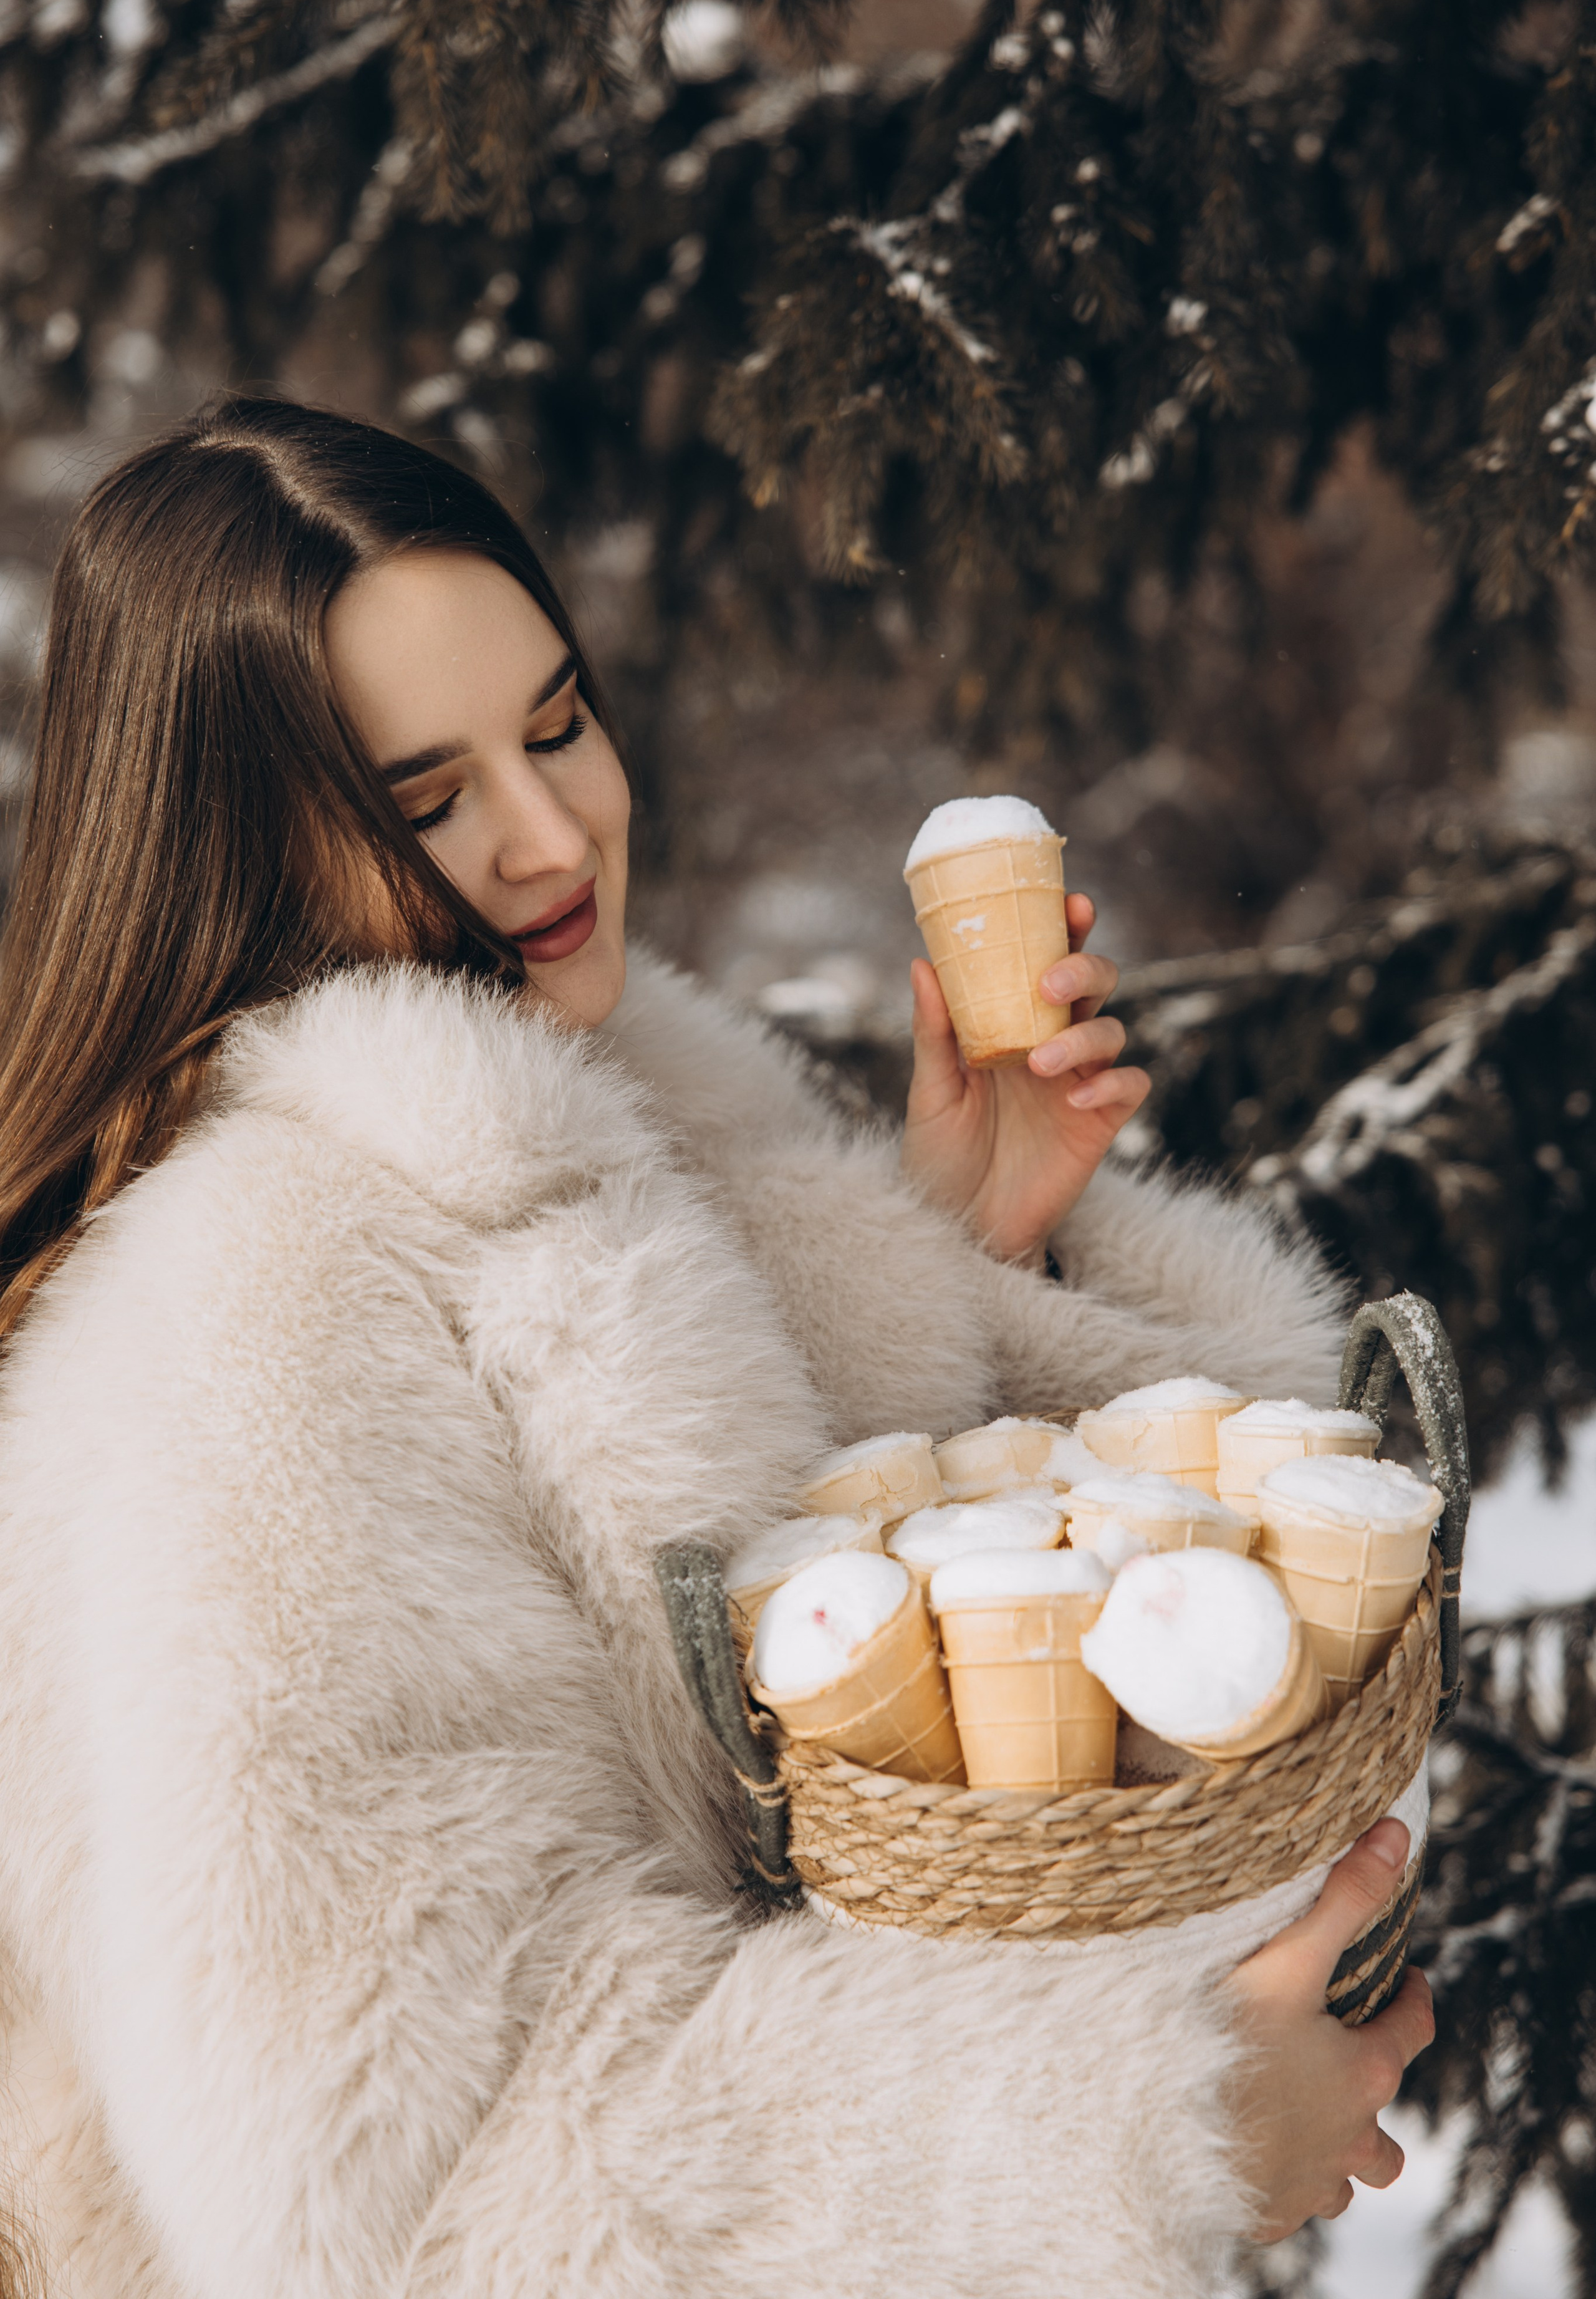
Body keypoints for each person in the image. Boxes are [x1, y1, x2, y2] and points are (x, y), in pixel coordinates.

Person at [0, 397, 1431, 2299]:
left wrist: (961, 1238)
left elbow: (769, 1648)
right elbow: (412, 2188)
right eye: (424, 800)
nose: (545, 834)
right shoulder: (251, 1318)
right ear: (234, 848)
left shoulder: (603, 1144)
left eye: (557, 722)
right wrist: (1139, 2119)